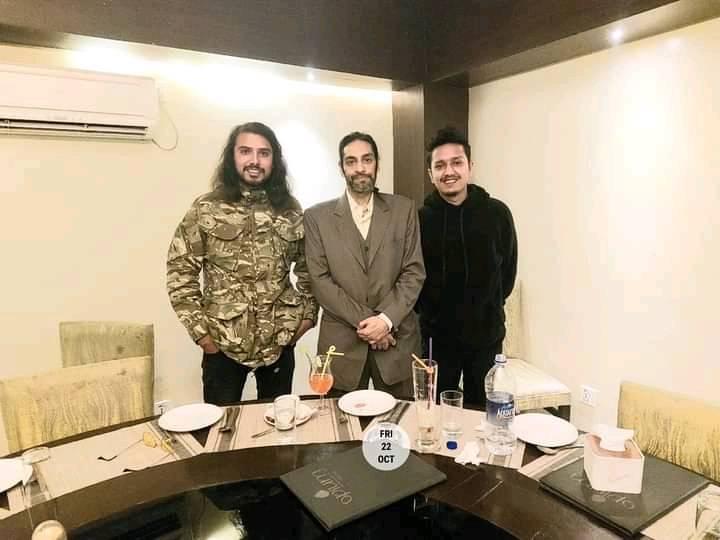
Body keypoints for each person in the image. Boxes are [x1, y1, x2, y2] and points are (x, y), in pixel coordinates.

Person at [167, 122, 318, 405]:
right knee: (221, 426)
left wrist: (306, 319)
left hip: (279, 342)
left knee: (279, 423)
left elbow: (311, 271)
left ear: (274, 160)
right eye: (245, 151)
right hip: (223, 345)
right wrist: (203, 337)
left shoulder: (290, 209)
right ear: (232, 156)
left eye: (264, 153)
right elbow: (180, 273)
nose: (254, 161)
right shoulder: (206, 208)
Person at [304, 132, 425, 397]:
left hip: (397, 344)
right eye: (351, 161)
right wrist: (373, 326)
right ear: (341, 168)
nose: (360, 168)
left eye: (367, 160)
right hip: (341, 348)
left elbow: (413, 272)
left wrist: (386, 320)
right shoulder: (316, 217)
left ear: (377, 164)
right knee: (339, 422)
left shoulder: (404, 209)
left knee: (401, 420)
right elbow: (320, 280)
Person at [417, 126, 517, 406]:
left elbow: (507, 273)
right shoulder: (420, 220)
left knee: (483, 413)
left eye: (456, 162)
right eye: (440, 165)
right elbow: (412, 275)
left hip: (486, 337)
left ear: (470, 166)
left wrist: (488, 306)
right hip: (437, 339)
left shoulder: (497, 213)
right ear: (430, 174)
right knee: (435, 411)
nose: (449, 171)